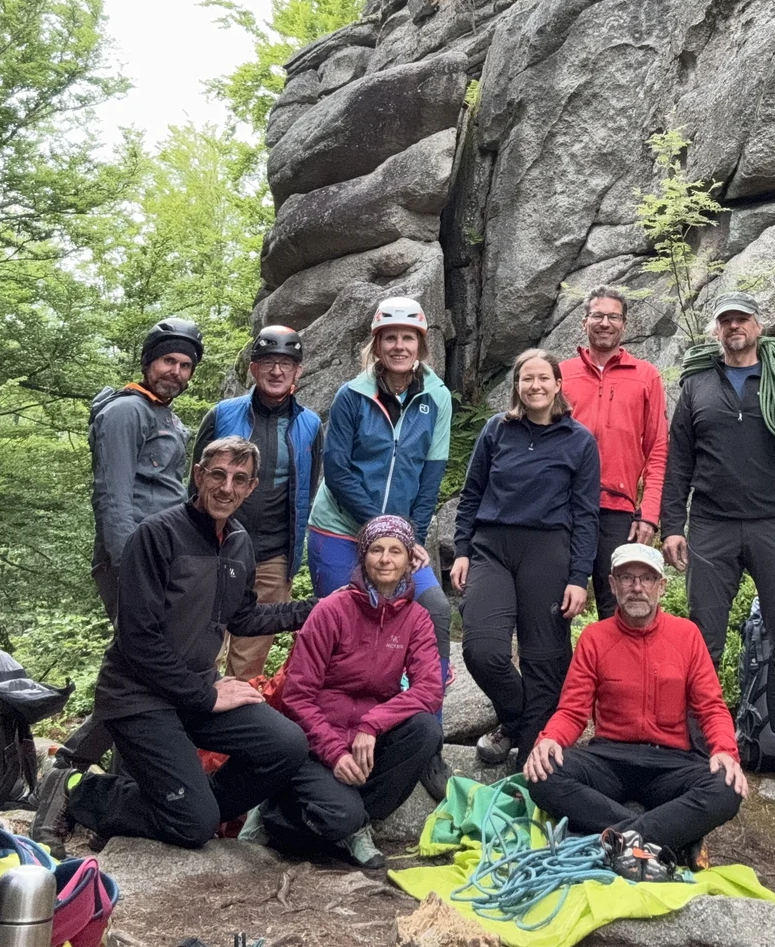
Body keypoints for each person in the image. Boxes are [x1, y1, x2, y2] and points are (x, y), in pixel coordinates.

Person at [30, 437, 316, 851]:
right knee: (193, 825)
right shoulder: (157, 535)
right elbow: (137, 639)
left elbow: (244, 617)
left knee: (286, 745)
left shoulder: (239, 544)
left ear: (252, 488)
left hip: (195, 694)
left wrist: (317, 609)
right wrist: (203, 695)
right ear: (199, 475)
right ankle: (77, 791)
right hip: (138, 698)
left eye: (239, 479)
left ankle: (186, 806)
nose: (226, 487)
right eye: (217, 474)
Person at [661, 290, 775, 836]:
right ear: (717, 330)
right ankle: (696, 758)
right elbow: (679, 461)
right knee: (701, 645)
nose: (733, 327)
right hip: (712, 526)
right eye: (725, 320)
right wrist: (672, 525)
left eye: (741, 318)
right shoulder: (696, 386)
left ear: (758, 325)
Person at [524, 543, 746, 867]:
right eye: (627, 578)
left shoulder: (687, 635)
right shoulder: (594, 637)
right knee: (542, 776)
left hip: (670, 762)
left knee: (727, 788)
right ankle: (671, 836)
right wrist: (550, 740)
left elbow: (711, 707)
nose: (637, 587)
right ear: (613, 585)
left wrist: (726, 750)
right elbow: (573, 710)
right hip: (610, 758)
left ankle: (617, 837)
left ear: (662, 587)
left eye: (647, 578)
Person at [56, 316, 202, 770]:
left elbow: (168, 492)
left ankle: (119, 770)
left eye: (184, 365)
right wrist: (128, 563)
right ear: (148, 362)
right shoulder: (126, 412)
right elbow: (114, 494)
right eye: (167, 361)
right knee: (142, 667)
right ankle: (75, 764)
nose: (175, 372)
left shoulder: (167, 417)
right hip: (132, 557)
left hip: (166, 556)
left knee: (147, 667)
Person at [263, 515, 445, 869]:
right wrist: (334, 752)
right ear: (363, 557)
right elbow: (297, 697)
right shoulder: (332, 610)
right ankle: (278, 815)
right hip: (316, 744)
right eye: (376, 549)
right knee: (337, 820)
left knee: (425, 730)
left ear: (410, 560)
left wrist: (373, 724)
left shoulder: (416, 619)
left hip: (366, 744)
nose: (385, 559)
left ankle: (352, 819)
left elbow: (429, 690)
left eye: (396, 551)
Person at [452, 348, 600, 769]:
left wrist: (578, 576)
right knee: (482, 649)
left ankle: (534, 752)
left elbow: (586, 514)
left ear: (557, 384)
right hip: (492, 547)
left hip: (548, 550)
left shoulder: (579, 440)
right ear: (517, 386)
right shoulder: (497, 431)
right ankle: (517, 721)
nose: (535, 386)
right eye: (526, 378)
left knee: (545, 659)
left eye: (543, 378)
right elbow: (472, 494)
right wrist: (462, 549)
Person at [304, 297, 453, 679]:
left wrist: (410, 536)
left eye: (408, 337)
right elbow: (336, 471)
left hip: (398, 534)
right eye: (390, 338)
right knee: (342, 625)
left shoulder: (437, 398)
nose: (399, 346)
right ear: (376, 344)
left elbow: (430, 477)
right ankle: (333, 728)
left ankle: (425, 711)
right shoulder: (352, 395)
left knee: (433, 607)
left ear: (421, 344)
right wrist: (385, 531)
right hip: (337, 529)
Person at [194, 325, 322, 680]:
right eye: (267, 362)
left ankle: (232, 729)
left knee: (251, 656)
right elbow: (195, 481)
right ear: (253, 369)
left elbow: (306, 490)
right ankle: (193, 722)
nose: (276, 370)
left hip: (274, 555)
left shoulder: (309, 424)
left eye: (286, 363)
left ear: (299, 370)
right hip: (213, 549)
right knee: (202, 647)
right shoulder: (222, 414)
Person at [558, 286, 668, 620]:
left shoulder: (646, 376)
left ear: (624, 325)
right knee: (554, 602)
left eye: (613, 317)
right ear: (584, 322)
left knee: (617, 608)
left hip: (617, 510)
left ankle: (616, 674)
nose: (605, 323)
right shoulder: (560, 374)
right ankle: (562, 674)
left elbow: (658, 449)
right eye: (598, 315)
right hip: (562, 507)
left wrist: (649, 513)